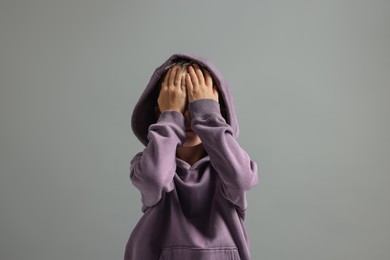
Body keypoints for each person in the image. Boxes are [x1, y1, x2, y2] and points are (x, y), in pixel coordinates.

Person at [124, 53, 259, 260]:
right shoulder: (146, 163)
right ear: (160, 113)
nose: (188, 117)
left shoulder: (228, 166)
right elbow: (155, 179)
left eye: (196, 105)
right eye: (179, 105)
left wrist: (206, 115)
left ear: (218, 111)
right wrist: (171, 117)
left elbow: (242, 179)